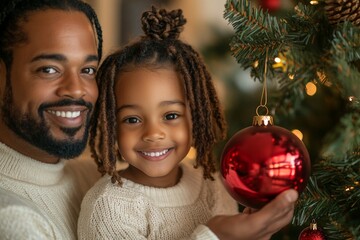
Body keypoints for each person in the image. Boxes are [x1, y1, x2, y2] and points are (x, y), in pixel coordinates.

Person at [78, 6, 299, 240]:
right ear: (112, 125)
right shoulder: (107, 208)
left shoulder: (211, 186)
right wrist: (214, 235)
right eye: (132, 119)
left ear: (196, 117)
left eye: (171, 116)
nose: (153, 133)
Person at [0, 0, 103, 239]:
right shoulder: (12, 217)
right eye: (49, 69)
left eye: (88, 70)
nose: (77, 90)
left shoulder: (97, 179)